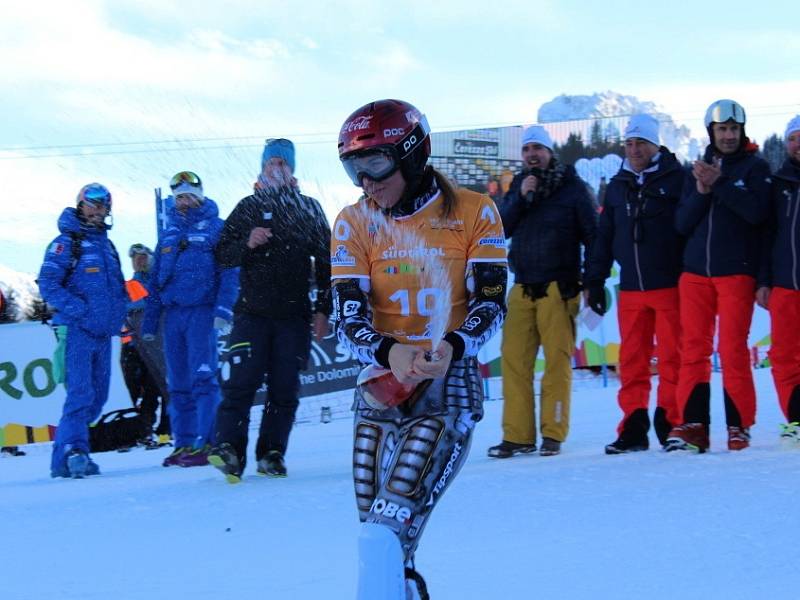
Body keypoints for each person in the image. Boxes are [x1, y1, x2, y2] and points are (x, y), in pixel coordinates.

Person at [331, 99, 507, 599]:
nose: (366, 181)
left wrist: (453, 345)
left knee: (386, 533)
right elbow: (347, 316)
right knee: (378, 541)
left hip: (446, 388)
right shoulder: (353, 221)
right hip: (380, 389)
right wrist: (390, 354)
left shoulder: (474, 212)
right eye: (353, 169)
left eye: (375, 164)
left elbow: (492, 300)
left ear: (412, 154)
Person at [208, 139, 331, 481]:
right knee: (239, 385)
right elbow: (220, 255)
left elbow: (326, 262)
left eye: (283, 163)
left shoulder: (309, 207)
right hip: (251, 314)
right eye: (270, 163)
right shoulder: (248, 206)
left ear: (292, 169)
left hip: (293, 316)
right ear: (262, 169)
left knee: (284, 388)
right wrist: (247, 242)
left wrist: (323, 309)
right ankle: (230, 451)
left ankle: (272, 454)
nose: (276, 168)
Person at [667, 99, 771, 453]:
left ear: (742, 131)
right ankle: (694, 425)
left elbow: (758, 214)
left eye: (733, 129)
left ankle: (738, 425)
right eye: (721, 129)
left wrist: (722, 184)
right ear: (710, 132)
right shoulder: (695, 170)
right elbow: (681, 223)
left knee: (731, 350)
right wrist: (701, 191)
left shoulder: (755, 168)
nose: (728, 135)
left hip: (735, 272)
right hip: (695, 274)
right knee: (692, 350)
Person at [488, 125, 597, 459]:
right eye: (526, 150)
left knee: (556, 365)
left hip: (559, 287)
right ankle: (518, 436)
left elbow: (594, 237)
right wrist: (520, 199)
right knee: (514, 363)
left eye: (538, 148)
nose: (532, 155)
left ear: (550, 152)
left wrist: (592, 283)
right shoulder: (520, 185)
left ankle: (553, 433)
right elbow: (502, 227)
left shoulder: (574, 188)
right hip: (522, 285)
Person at [584, 114, 687, 453]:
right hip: (630, 288)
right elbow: (604, 236)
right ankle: (633, 426)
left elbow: (689, 228)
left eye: (641, 142)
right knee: (632, 360)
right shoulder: (618, 184)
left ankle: (672, 423)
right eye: (629, 143)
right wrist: (594, 281)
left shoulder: (677, 179)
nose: (634, 149)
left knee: (673, 358)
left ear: (655, 145)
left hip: (669, 285)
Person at [142, 172, 239, 467]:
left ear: (200, 195)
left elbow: (230, 271)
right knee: (178, 382)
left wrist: (224, 309)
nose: (184, 201)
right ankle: (182, 442)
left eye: (189, 195)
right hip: (173, 316)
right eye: (179, 196)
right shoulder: (169, 234)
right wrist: (149, 321)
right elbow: (156, 279)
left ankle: (208, 441)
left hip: (201, 312)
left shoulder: (216, 228)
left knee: (203, 377)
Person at [38, 183, 127, 478]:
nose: (98, 209)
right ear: (80, 205)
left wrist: (120, 314)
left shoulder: (107, 245)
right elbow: (48, 284)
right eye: (92, 203)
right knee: (80, 394)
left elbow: (116, 288)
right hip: (76, 331)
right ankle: (75, 451)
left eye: (103, 204)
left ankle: (62, 458)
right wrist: (80, 311)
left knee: (98, 398)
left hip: (103, 334)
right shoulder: (66, 242)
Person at [756, 115, 800, 447]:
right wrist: (764, 280)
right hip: (785, 285)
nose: (798, 144)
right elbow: (766, 235)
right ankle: (796, 420)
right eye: (793, 138)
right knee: (784, 357)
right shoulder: (777, 183)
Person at [120, 243, 170, 444]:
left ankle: (164, 430)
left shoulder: (161, 279)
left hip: (159, 343)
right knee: (138, 389)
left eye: (142, 256)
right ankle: (142, 430)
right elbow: (124, 307)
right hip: (134, 345)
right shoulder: (129, 286)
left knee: (161, 386)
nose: (138, 261)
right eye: (134, 258)